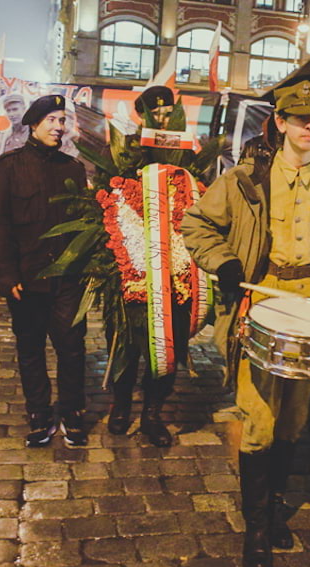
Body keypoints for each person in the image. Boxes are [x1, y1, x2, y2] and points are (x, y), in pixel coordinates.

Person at [182, 80, 310, 567]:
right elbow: (196, 225)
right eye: (299, 118)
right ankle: (256, 525)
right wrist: (227, 266)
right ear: (280, 122)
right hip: (262, 297)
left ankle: (275, 507)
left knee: (294, 418)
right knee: (257, 418)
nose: (309, 126)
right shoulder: (246, 178)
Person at [0, 94, 89, 448]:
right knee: (30, 349)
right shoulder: (7, 167)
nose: (59, 127)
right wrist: (5, 276)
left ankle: (72, 411)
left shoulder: (72, 168)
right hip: (26, 279)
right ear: (34, 124)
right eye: (52, 121)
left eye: (62, 120)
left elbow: (82, 223)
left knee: (72, 348)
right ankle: (39, 413)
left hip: (67, 280)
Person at [102, 85, 191, 447]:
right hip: (132, 268)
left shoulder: (190, 156)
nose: (165, 118)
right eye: (158, 114)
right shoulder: (125, 151)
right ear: (144, 117)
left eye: (170, 112)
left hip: (174, 269)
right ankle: (121, 406)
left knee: (168, 340)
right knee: (125, 342)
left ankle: (153, 413)